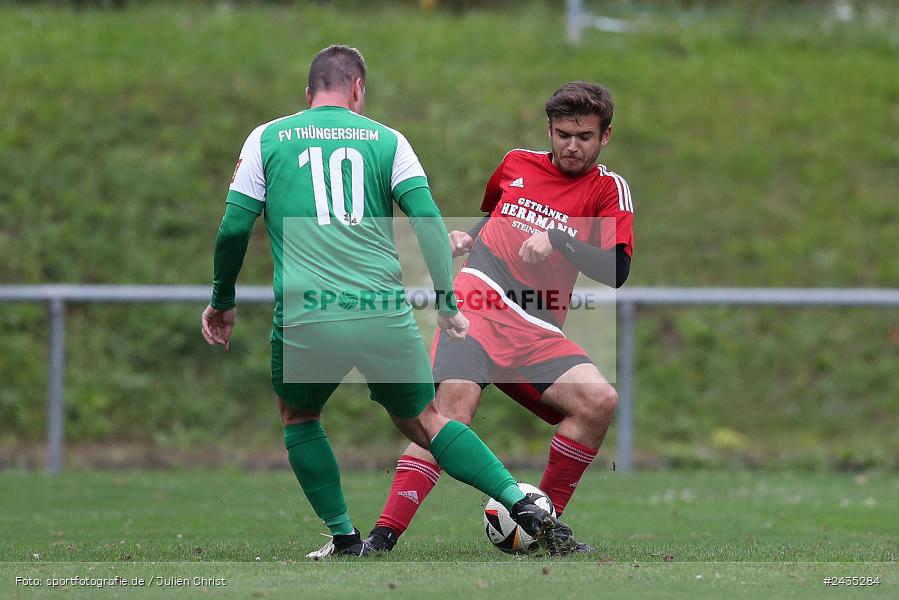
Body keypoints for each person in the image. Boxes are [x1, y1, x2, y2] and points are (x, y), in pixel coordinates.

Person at [201, 45, 577, 558]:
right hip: (382, 310)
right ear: (358, 89)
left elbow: (233, 229)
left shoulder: (266, 137)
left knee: (300, 417)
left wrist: (222, 299)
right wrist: (446, 301)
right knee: (427, 420)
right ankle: (520, 502)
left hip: (308, 312)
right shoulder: (388, 140)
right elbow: (428, 222)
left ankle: (345, 537)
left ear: (309, 93)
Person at [365, 81, 634, 554]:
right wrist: (470, 237)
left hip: (537, 327)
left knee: (598, 402)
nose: (572, 146)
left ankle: (542, 528)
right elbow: (498, 213)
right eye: (563, 135)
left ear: (605, 136)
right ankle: (382, 537)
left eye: (585, 136)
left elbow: (617, 270)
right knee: (449, 415)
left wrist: (561, 240)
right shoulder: (516, 163)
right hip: (479, 302)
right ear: (549, 130)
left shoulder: (608, 190)